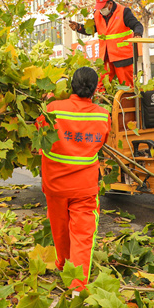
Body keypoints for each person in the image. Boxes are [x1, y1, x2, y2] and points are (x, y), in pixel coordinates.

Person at [41, 67, 110, 292]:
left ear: (70, 86)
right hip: (84, 187)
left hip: (55, 185)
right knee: (82, 236)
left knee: (59, 229)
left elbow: (39, 130)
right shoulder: (102, 115)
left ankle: (63, 267)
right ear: (95, 90)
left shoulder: (52, 110)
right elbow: (101, 141)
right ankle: (77, 287)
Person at [68, 0, 144, 88]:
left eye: (103, 7)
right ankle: (99, 102)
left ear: (110, 4)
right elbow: (91, 29)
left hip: (122, 56)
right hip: (105, 56)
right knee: (100, 85)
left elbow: (137, 25)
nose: (101, 10)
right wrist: (79, 27)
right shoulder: (97, 14)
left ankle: (129, 103)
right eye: (99, 8)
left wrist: (137, 34)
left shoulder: (123, 12)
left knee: (127, 86)